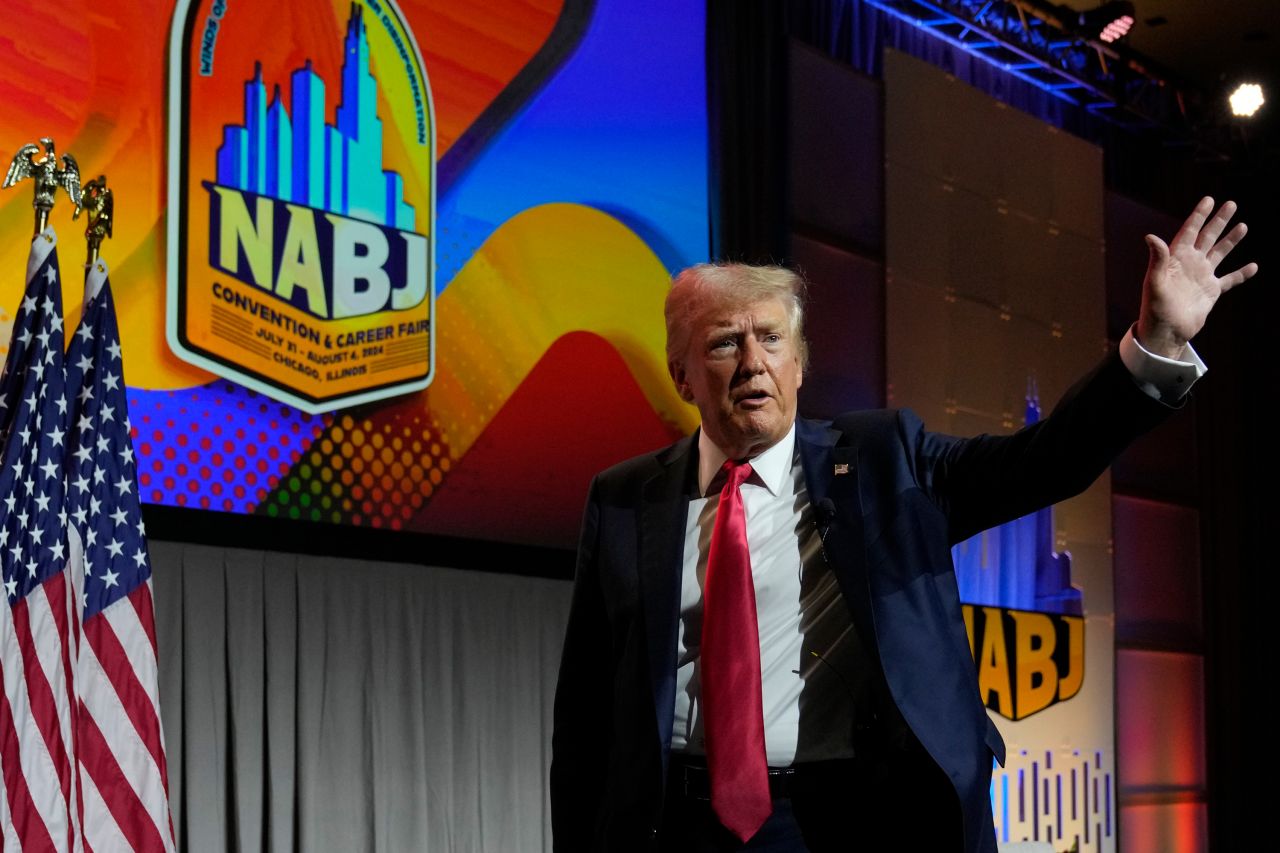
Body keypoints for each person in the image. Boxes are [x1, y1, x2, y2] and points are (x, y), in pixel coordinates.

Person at [550, 197, 1258, 852]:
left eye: (770, 339)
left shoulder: (888, 460)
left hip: (851, 817)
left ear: (798, 366)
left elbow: (1044, 462)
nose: (752, 363)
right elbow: (584, 715)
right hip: (677, 820)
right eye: (724, 344)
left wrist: (1152, 344)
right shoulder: (623, 499)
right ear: (681, 376)